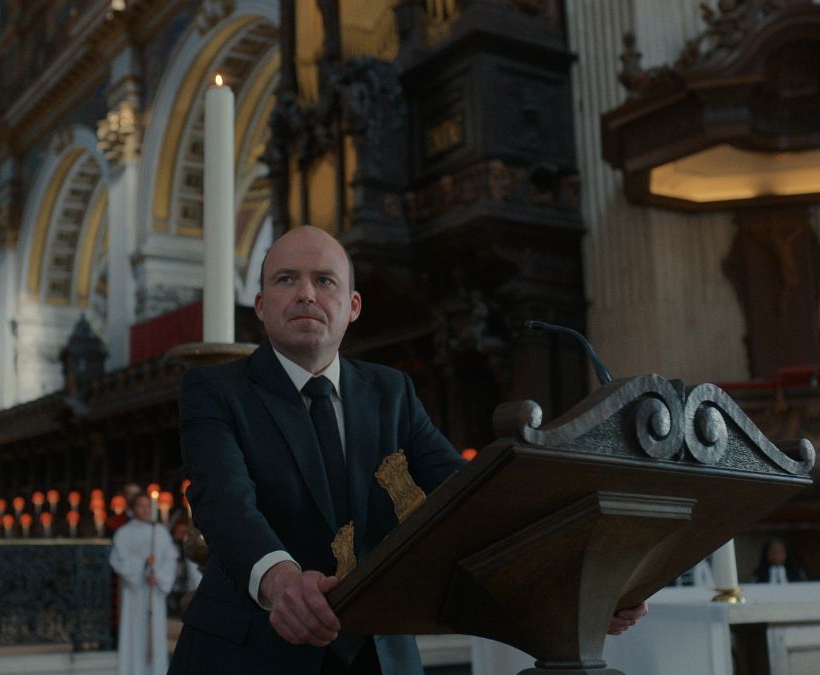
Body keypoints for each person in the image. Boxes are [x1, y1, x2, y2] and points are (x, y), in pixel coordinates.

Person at [170, 226, 647, 675]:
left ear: (353, 305)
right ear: (260, 303)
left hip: (380, 655)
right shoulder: (216, 390)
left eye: (325, 280)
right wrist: (279, 581)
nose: (307, 294)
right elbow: (224, 499)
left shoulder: (391, 393)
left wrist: (573, 581)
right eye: (286, 280)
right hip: (250, 649)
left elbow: (468, 498)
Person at [109, 493, 179, 675]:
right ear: (132, 509)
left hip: (154, 593)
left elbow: (170, 559)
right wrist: (142, 565)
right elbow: (118, 561)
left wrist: (160, 576)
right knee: (134, 634)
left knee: (154, 633)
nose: (147, 510)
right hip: (134, 594)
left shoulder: (161, 532)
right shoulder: (123, 533)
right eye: (141, 506)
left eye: (149, 506)